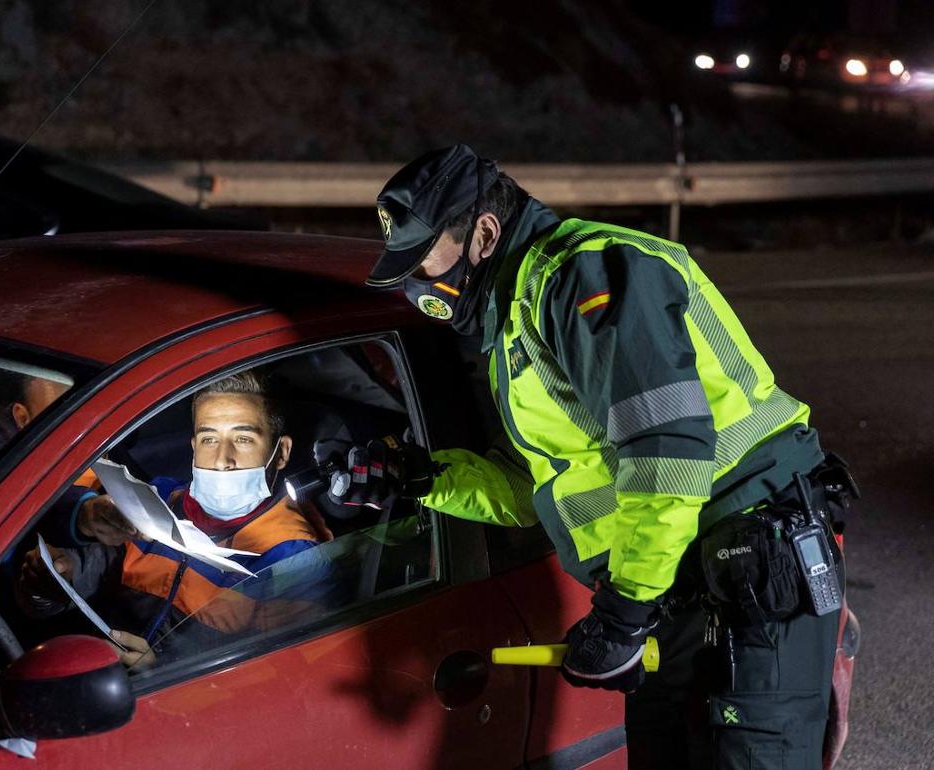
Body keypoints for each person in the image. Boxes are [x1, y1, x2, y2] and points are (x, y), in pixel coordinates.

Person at [347, 144, 853, 768]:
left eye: (424, 260)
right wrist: (422, 477)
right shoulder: (516, 315)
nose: (419, 283)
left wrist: (623, 614)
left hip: (748, 569)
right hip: (677, 584)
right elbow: (547, 486)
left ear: (483, 233)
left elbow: (668, 447)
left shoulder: (588, 274)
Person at [17, 371, 330, 669]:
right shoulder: (163, 500)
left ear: (281, 453)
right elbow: (99, 563)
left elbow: (277, 677)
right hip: (101, 674)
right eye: (209, 439)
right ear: (194, 447)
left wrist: (164, 669)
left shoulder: (294, 557)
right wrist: (61, 577)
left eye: (244, 439)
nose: (222, 460)